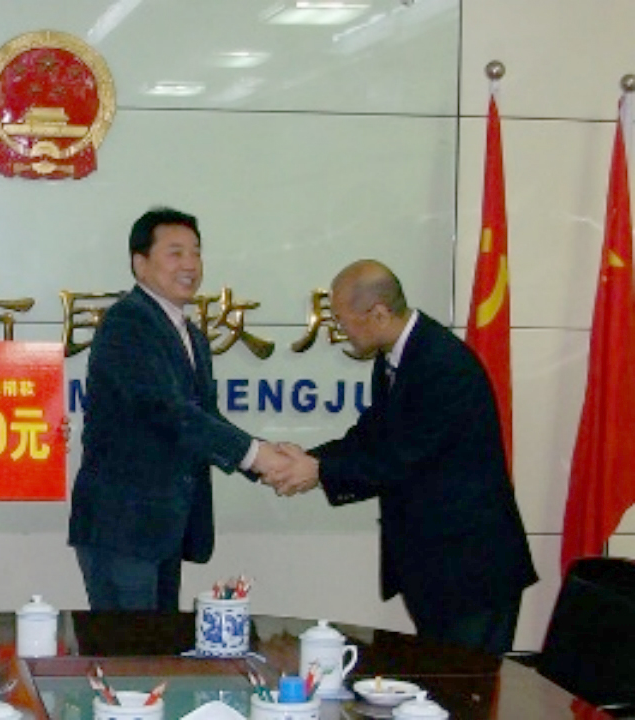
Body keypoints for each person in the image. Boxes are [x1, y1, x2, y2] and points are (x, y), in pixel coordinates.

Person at [267, 259, 537, 655]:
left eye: (342, 320)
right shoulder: (396, 356)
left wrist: (319, 472)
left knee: (465, 685)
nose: (339, 332)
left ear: (378, 313)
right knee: (436, 681)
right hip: (433, 566)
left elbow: (400, 459)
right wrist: (309, 460)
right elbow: (372, 435)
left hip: (472, 570)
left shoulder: (442, 365)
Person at [67, 206, 288, 611]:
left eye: (196, 253)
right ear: (140, 263)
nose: (190, 265)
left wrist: (263, 457)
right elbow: (166, 411)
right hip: (123, 528)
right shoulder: (128, 323)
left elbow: (205, 416)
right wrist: (256, 456)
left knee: (162, 643)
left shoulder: (190, 334)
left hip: (164, 527)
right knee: (129, 646)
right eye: (175, 253)